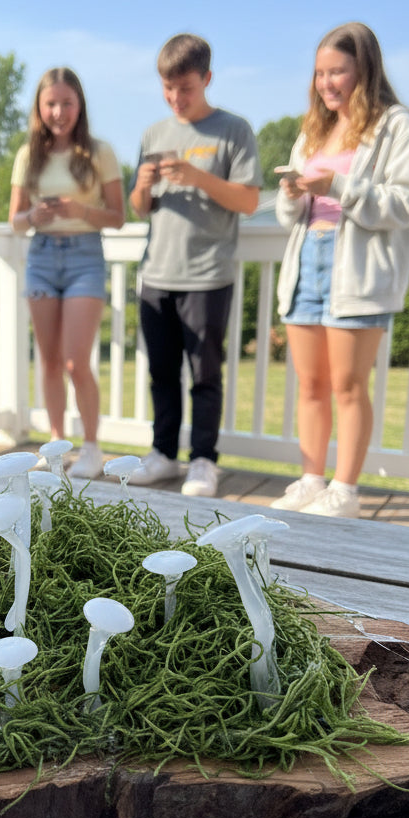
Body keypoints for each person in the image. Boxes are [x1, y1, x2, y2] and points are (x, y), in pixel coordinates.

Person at [272, 22, 409, 517]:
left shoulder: (397, 126)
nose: (326, 83)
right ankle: (311, 479)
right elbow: (287, 215)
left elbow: (406, 205)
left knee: (347, 385)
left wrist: (335, 186)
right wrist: (294, 193)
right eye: (320, 73)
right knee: (311, 384)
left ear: (365, 68)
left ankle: (345, 490)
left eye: (337, 71)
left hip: (357, 269)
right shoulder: (314, 129)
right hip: (306, 263)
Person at [128, 34, 262, 496]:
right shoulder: (153, 134)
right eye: (167, 88)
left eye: (185, 88)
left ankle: (203, 460)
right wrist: (143, 185)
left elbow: (247, 200)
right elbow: (138, 208)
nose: (175, 98)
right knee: (161, 373)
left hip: (207, 275)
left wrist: (197, 177)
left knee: (204, 375)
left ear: (206, 78)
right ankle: (163, 453)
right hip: (155, 273)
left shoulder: (234, 130)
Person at [9, 67, 125, 480]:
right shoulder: (29, 155)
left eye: (67, 103)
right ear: (40, 108)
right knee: (51, 360)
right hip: (41, 256)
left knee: (77, 361)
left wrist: (80, 212)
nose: (59, 111)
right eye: (51, 103)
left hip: (84, 257)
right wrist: (34, 215)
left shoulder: (99, 152)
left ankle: (92, 446)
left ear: (80, 106)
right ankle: (57, 446)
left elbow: (117, 216)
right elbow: (15, 221)